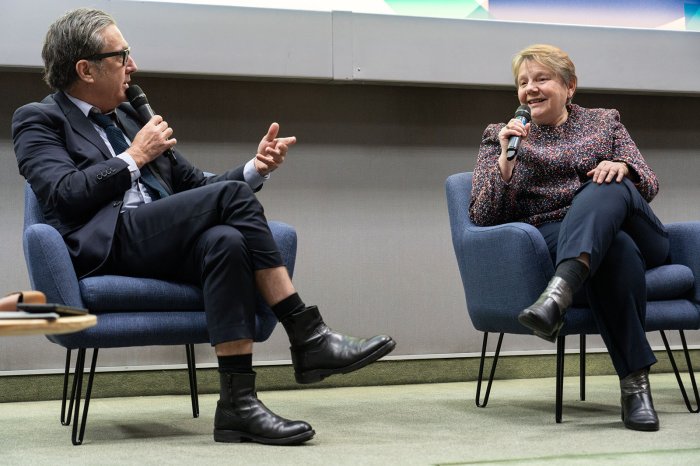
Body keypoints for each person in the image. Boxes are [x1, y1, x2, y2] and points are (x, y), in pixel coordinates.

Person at [12, 8, 396, 446]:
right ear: (86, 68)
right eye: (121, 56)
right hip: (106, 245)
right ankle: (306, 334)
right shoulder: (38, 119)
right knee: (229, 209)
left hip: (160, 237)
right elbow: (62, 193)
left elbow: (195, 185)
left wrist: (255, 168)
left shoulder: (130, 116)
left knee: (226, 241)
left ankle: (237, 406)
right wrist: (133, 158)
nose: (133, 66)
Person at [469, 44, 668, 432]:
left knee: (606, 183)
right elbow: (482, 215)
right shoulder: (500, 136)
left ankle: (558, 293)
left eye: (541, 79)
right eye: (523, 82)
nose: (530, 89)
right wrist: (506, 163)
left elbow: (650, 182)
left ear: (569, 86)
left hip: (634, 227)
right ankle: (635, 387)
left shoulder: (604, 122)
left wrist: (621, 166)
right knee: (615, 252)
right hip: (558, 236)